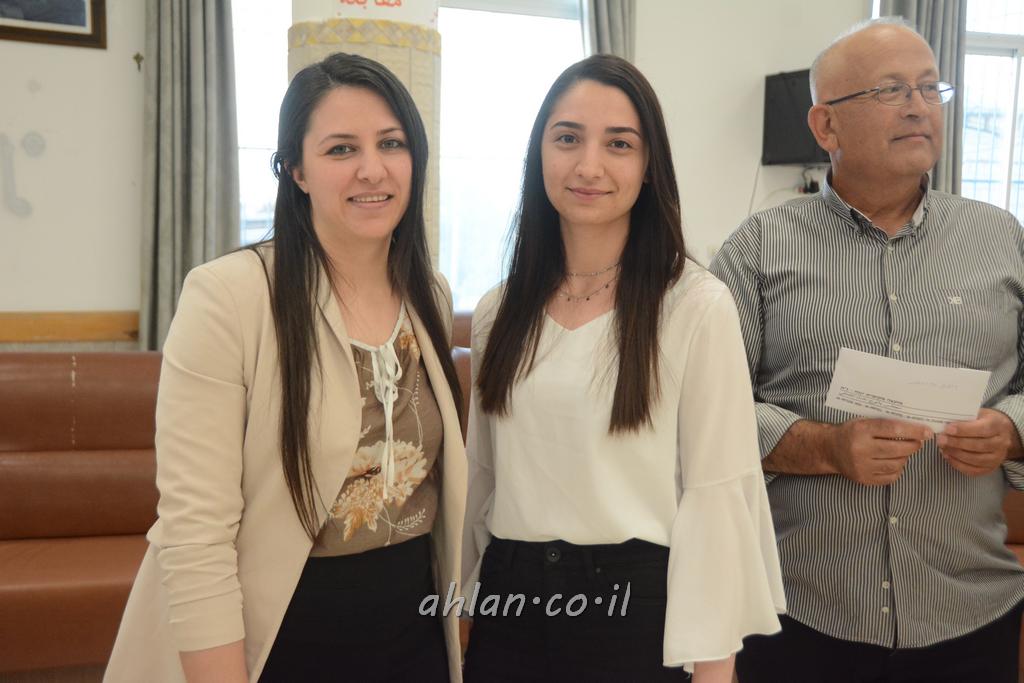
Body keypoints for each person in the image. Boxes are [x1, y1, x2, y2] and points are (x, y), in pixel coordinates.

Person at [104, 53, 466, 683]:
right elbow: (195, 532)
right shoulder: (230, 296)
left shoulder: (428, 293)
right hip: (279, 634)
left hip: (413, 629)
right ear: (295, 170)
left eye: (391, 143)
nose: (372, 169)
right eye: (341, 149)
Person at [710, 18, 1024, 683]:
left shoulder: (1003, 240)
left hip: (971, 614)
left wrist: (1011, 429)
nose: (918, 106)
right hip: (802, 617)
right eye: (890, 90)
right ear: (826, 126)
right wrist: (826, 448)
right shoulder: (756, 249)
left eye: (930, 87)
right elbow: (707, 413)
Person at [460, 54, 785, 683]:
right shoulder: (500, 309)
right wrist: (464, 612)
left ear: (649, 165)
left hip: (634, 612)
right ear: (539, 154)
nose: (589, 166)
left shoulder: (695, 306)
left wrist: (714, 670)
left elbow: (718, 497)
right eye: (567, 138)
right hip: (510, 605)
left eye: (618, 144)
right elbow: (484, 478)